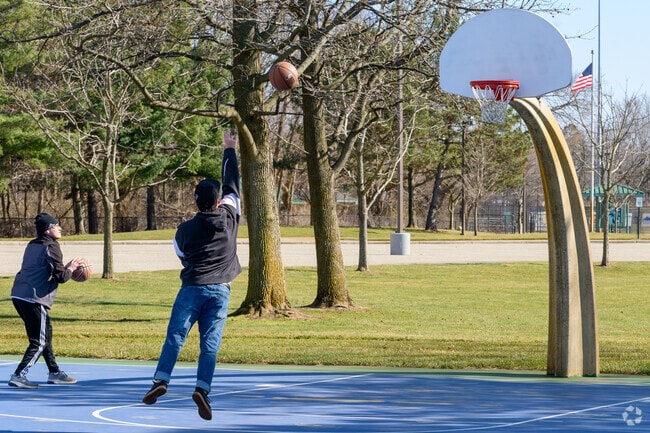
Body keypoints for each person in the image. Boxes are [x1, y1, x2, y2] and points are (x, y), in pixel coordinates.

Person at [142, 129, 241, 420]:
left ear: (196, 203)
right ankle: (202, 389)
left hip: (192, 288)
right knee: (210, 344)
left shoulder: (184, 230)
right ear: (218, 200)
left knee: (175, 336)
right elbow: (232, 183)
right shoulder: (230, 217)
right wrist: (229, 148)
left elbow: (182, 256)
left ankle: (161, 380)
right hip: (220, 290)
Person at [9, 212, 84, 389]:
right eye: (56, 225)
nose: (60, 228)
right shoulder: (52, 246)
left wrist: (64, 269)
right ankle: (19, 375)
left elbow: (47, 269)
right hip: (33, 297)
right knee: (39, 341)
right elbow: (61, 277)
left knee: (45, 334)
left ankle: (55, 372)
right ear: (48, 230)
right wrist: (71, 269)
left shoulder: (33, 244)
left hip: (19, 294)